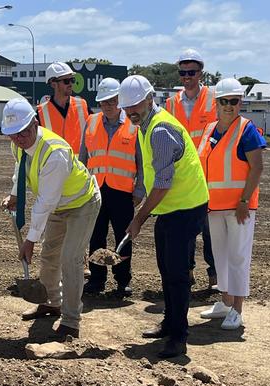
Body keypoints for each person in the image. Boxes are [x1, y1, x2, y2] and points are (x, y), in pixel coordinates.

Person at [120, 75, 209, 358]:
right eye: (127, 108)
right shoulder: (146, 125)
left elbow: (163, 183)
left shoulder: (159, 130)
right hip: (171, 208)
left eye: (135, 105)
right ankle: (170, 323)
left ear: (150, 99)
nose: (131, 111)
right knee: (167, 270)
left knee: (177, 274)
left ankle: (179, 337)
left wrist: (139, 217)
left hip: (184, 207)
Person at [1, 98, 100, 339]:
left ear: (35, 123)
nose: (19, 138)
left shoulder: (54, 153)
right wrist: (15, 194)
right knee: (50, 257)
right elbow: (20, 169)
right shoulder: (18, 145)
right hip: (59, 205)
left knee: (70, 259)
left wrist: (30, 240)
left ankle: (71, 320)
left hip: (81, 204)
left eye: (23, 132)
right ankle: (52, 303)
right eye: (13, 134)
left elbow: (44, 203)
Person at [196, 78, 265, 330]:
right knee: (221, 257)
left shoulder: (246, 129)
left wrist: (245, 201)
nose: (229, 106)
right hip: (214, 207)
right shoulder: (209, 130)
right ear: (216, 103)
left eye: (233, 101)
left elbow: (257, 167)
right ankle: (225, 303)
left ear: (240, 102)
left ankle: (237, 310)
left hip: (239, 208)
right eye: (224, 101)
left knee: (238, 257)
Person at [79, 77, 142, 297]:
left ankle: (122, 281)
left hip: (123, 192)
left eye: (112, 100)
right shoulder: (91, 122)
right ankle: (96, 279)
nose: (107, 105)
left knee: (123, 237)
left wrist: (140, 188)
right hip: (95, 191)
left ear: (120, 100)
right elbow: (83, 159)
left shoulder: (134, 125)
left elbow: (141, 160)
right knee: (96, 236)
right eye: (104, 101)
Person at [166, 48, 217, 289]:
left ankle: (214, 276)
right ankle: (187, 273)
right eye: (183, 72)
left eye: (192, 72)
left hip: (208, 174)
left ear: (200, 73)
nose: (187, 77)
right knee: (185, 231)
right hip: (182, 176)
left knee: (210, 231)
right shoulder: (170, 103)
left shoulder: (215, 99)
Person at [37, 62, 89, 155]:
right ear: (53, 84)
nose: (70, 84)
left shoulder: (82, 105)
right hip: (53, 167)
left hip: (79, 167)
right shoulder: (41, 112)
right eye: (66, 81)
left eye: (72, 80)